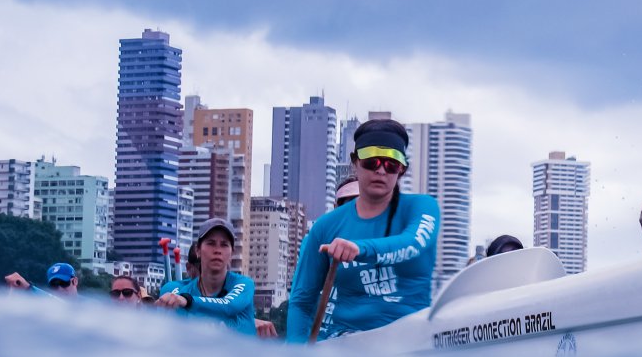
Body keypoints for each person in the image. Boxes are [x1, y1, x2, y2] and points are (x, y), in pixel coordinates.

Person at [287, 118, 440, 342]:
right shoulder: (326, 227)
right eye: (371, 161)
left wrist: (359, 249)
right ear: (355, 162)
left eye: (391, 164)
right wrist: (296, 356)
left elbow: (412, 244)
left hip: (410, 337)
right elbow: (301, 302)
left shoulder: (422, 207)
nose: (380, 170)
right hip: (347, 342)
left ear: (402, 169)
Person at [156, 218, 256, 336]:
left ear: (232, 253)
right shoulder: (174, 290)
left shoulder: (243, 283)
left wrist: (187, 301)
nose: (217, 250)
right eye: (211, 243)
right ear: (198, 250)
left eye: (224, 245)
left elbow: (229, 305)